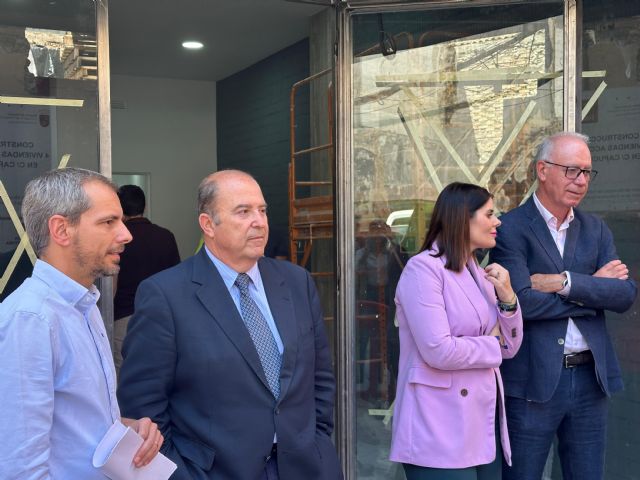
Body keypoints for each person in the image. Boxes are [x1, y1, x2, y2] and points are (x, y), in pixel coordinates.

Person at [117, 169, 343, 480]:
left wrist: (317, 445)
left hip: (304, 468)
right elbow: (144, 409)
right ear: (208, 224)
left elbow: (320, 379)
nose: (259, 221)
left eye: (262, 210)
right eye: (243, 211)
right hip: (214, 472)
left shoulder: (296, 282)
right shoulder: (165, 295)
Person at [0, 168, 163, 479]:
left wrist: (123, 429)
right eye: (108, 222)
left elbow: (70, 427)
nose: (126, 235)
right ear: (61, 230)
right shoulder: (31, 319)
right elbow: (20, 468)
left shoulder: (83, 305)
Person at [491, 132, 637, 480]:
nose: (581, 180)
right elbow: (522, 303)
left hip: (590, 380)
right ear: (542, 170)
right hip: (532, 382)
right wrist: (592, 289)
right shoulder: (510, 228)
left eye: (587, 172)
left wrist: (564, 282)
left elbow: (624, 295)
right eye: (572, 170)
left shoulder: (595, 229)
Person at [390, 182, 523, 480]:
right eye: (489, 214)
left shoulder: (479, 271)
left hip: (481, 424)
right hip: (438, 427)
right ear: (463, 218)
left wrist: (508, 296)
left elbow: (509, 346)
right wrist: (490, 344)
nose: (497, 222)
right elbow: (439, 350)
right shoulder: (422, 270)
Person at [113, 184, 180, 375]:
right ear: (145, 206)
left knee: (124, 374)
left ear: (119, 209)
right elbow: (176, 280)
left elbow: (112, 283)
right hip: (161, 316)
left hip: (124, 317)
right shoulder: (166, 236)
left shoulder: (118, 238)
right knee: (159, 372)